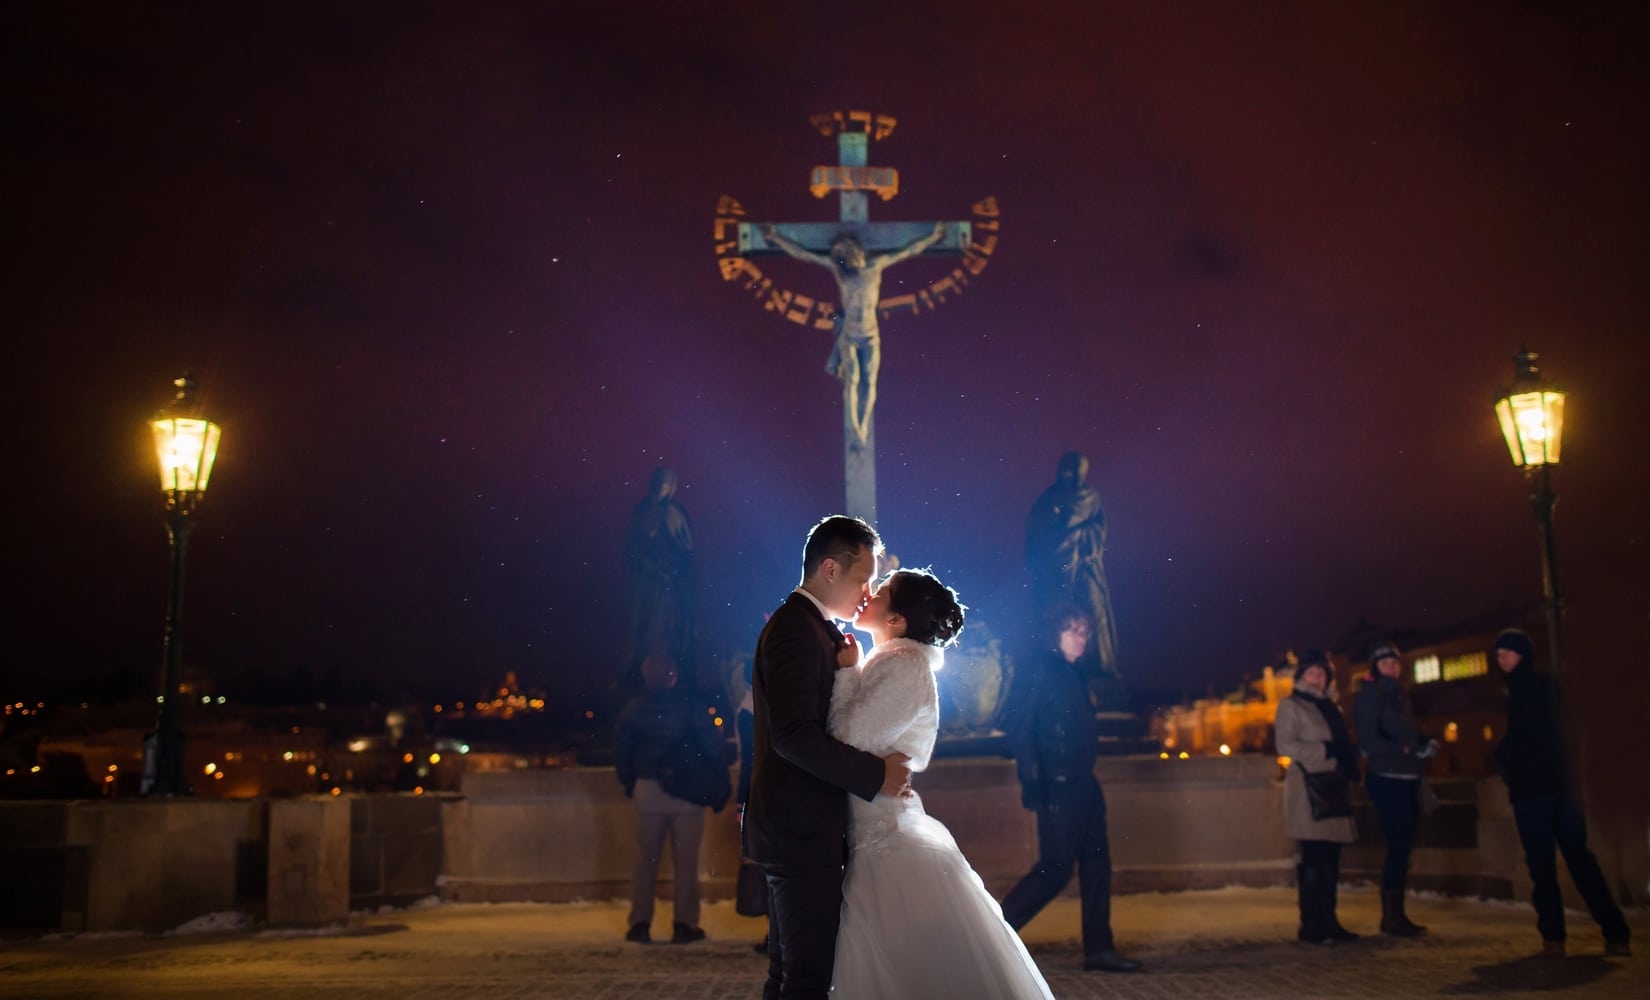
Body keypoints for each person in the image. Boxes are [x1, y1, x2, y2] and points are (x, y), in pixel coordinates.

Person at [828, 568, 1053, 998]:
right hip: (873, 824)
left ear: (896, 620)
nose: (869, 595)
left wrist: (844, 674)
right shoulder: (893, 661)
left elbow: (847, 739)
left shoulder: (903, 665)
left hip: (885, 835)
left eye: (882, 592)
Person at [744, 515, 914, 1000]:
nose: (868, 591)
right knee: (807, 977)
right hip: (798, 831)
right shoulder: (797, 630)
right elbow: (794, 736)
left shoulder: (810, 627)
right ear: (830, 569)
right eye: (863, 577)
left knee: (791, 973)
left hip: (797, 828)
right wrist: (875, 774)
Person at [999, 604, 1141, 972]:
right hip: (1058, 785)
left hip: (1084, 784)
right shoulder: (1042, 670)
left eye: (1085, 632)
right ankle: (992, 936)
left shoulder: (1075, 674)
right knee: (1055, 869)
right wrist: (1033, 780)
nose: (1082, 638)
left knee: (1097, 866)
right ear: (1055, 633)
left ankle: (1099, 949)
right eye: (1074, 630)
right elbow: (1019, 727)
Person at [1491, 628, 1631, 957]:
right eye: (1499, 655)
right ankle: (1614, 933)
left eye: (1508, 652)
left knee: (1543, 866)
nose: (1502, 659)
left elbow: (1525, 740)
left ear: (1522, 654)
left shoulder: (1524, 689)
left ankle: (1554, 938)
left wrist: (1503, 760)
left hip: (1536, 792)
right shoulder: (1547, 686)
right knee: (1580, 859)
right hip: (1563, 787)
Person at [760, 224, 946, 444]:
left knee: (869, 382)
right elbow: (804, 253)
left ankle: (863, 425)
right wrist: (776, 238)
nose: (845, 260)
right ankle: (856, 429)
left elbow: (907, 251)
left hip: (870, 336)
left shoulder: (875, 267)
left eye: (846, 255)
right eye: (841, 257)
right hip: (849, 335)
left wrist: (933, 238)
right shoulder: (840, 272)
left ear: (856, 253)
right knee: (853, 380)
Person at [613, 653, 725, 944]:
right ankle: (684, 924)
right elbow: (712, 748)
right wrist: (718, 785)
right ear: (673, 675)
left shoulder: (634, 708)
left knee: (645, 862)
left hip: (648, 790)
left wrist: (630, 783)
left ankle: (639, 923)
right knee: (686, 864)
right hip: (686, 793)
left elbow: (622, 752)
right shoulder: (691, 706)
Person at [1274, 649, 1362, 944]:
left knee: (1331, 860)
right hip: (1308, 791)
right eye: (1312, 672)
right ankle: (1310, 924)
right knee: (1313, 858)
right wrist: (1325, 751)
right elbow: (1285, 745)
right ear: (1301, 677)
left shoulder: (1330, 707)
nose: (1318, 678)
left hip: (1333, 786)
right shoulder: (1291, 705)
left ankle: (1330, 920)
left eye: (1323, 673)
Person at [1352, 642, 1435, 937]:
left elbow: (1408, 732)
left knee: (1403, 847)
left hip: (1407, 778)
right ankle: (1391, 917)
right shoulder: (1371, 695)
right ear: (1375, 667)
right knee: (1398, 846)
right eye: (1385, 663)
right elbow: (1370, 742)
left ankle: (1396, 914)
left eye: (1395, 663)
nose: (1391, 667)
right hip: (1386, 778)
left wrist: (1425, 742)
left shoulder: (1400, 695)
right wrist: (1410, 749)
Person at [1024, 452, 1120, 681]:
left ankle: (1101, 669)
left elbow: (1094, 527)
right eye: (1068, 470)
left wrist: (1071, 530)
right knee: (1056, 617)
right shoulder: (1048, 499)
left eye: (1077, 471)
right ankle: (1054, 666)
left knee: (1095, 612)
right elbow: (1037, 533)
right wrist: (1062, 529)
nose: (1072, 475)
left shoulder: (1090, 497)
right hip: (1056, 571)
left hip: (1086, 568)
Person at [623, 466, 696, 687]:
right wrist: (652, 569)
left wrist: (675, 571)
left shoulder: (676, 514)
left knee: (672, 627)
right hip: (648, 583)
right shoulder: (642, 512)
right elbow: (633, 549)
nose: (662, 486)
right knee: (645, 627)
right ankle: (638, 674)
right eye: (659, 481)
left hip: (671, 583)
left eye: (666, 482)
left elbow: (686, 550)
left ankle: (672, 675)